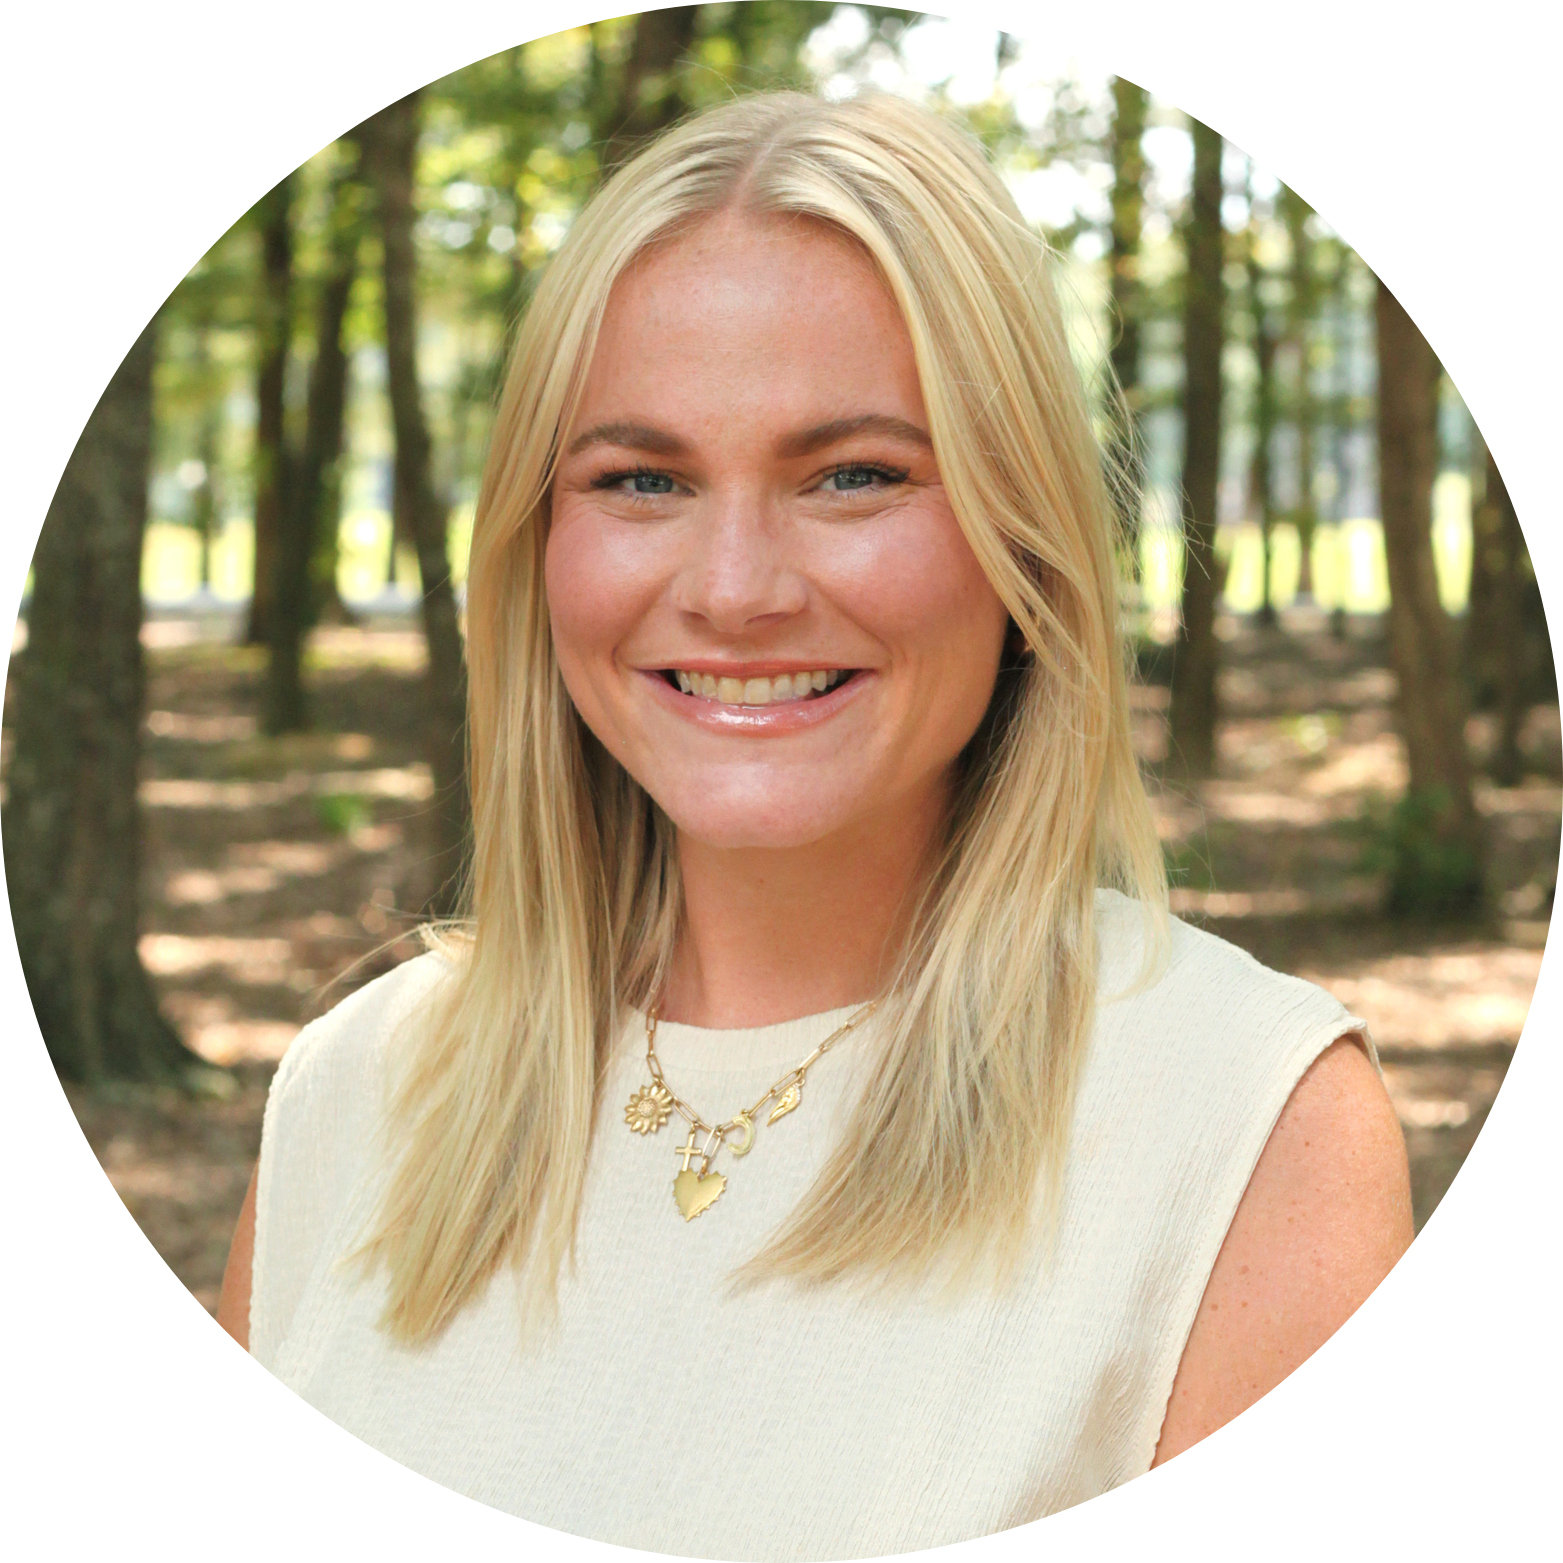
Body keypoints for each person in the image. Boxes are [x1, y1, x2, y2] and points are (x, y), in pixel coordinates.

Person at [216, 89, 1412, 1554]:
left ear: (1020, 537)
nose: (733, 586)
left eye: (853, 475)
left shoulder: (1246, 1121)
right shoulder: (360, 1089)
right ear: (538, 545)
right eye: (640, 477)